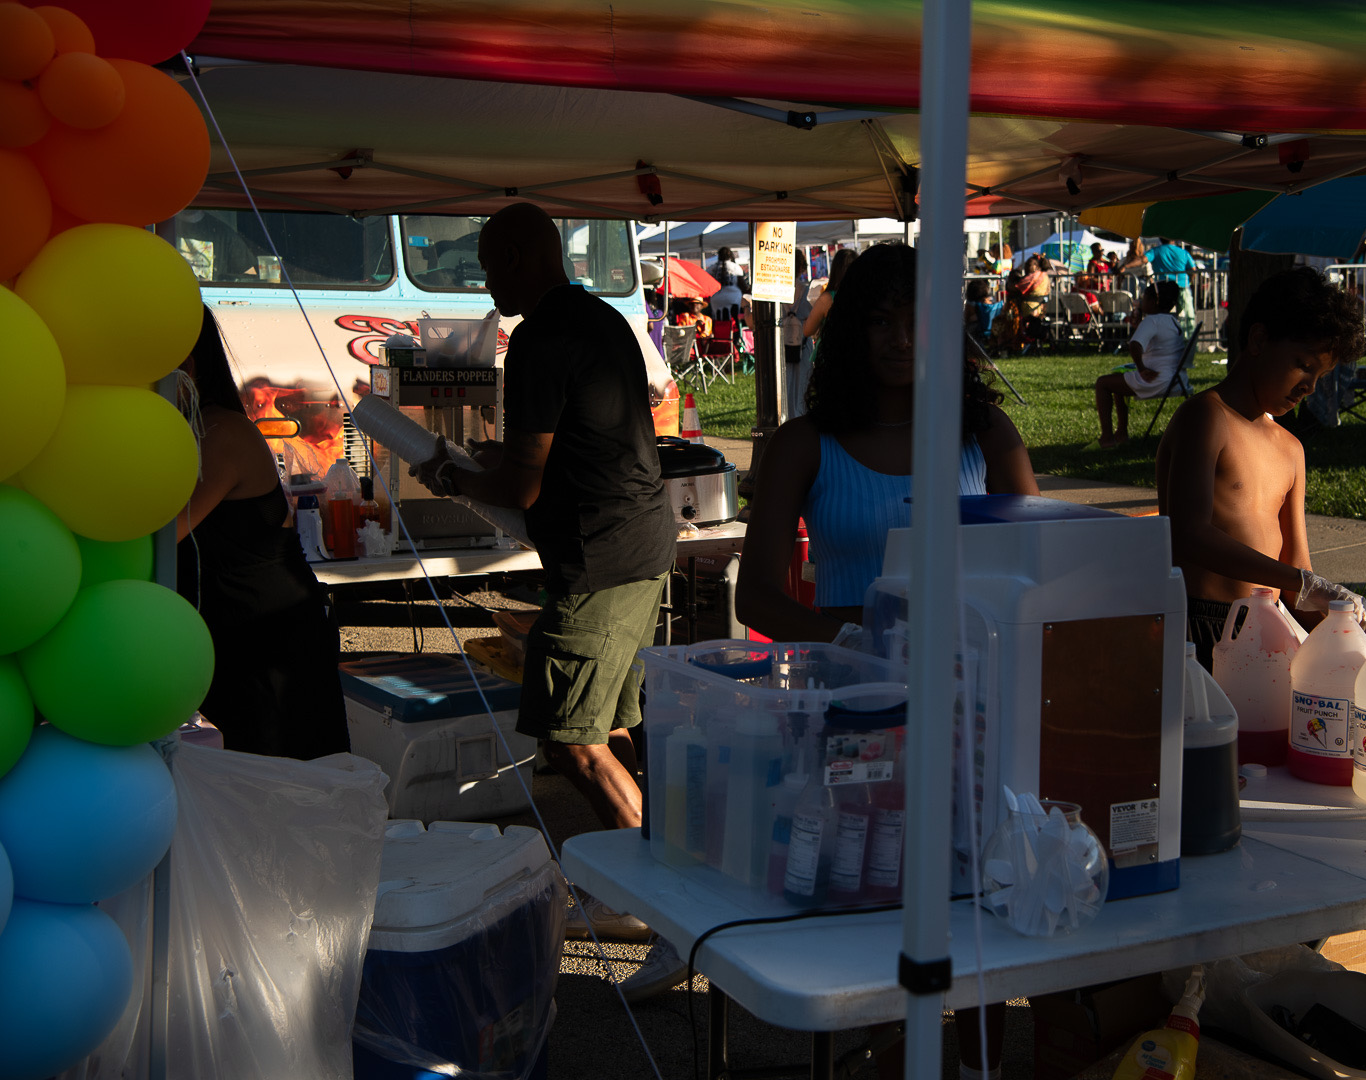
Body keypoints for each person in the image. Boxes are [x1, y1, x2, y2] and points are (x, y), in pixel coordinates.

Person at [736, 242, 1037, 1080]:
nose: (901, 338)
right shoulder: (805, 444)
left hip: (978, 712)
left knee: (975, 917)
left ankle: (965, 1064)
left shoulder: (984, 432)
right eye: (878, 320)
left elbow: (1041, 563)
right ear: (848, 334)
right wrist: (864, 628)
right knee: (856, 906)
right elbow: (756, 598)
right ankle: (855, 1054)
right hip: (855, 717)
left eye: (920, 319)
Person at [409, 203, 677, 993]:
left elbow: (521, 483)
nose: (485, 283)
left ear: (528, 255)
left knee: (572, 740)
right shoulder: (596, 316)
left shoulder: (536, 338)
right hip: (634, 544)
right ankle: (636, 888)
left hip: (599, 557)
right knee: (617, 725)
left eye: (491, 265)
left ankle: (671, 921)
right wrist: (491, 461)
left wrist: (452, 475)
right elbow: (558, 447)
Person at [1155, 267, 1366, 671]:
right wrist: (1301, 582)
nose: (1309, 386)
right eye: (1302, 364)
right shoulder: (1206, 416)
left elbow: (1298, 581)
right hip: (1199, 627)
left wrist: (1338, 620)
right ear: (1258, 339)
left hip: (1267, 629)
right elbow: (1189, 535)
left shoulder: (1291, 449)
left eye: (1320, 375)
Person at [174, 307, 350, 760]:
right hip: (236, 627)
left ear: (188, 365)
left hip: (268, 630)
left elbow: (164, 530)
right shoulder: (189, 430)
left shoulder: (221, 433)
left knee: (279, 773)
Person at [1093, 281, 1187, 449]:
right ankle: (1121, 433)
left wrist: (1142, 369)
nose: (1141, 301)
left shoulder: (1152, 321)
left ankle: (1107, 438)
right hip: (1177, 379)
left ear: (1154, 301)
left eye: (1144, 298)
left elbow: (1134, 345)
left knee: (1103, 383)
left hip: (1157, 379)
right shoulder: (1173, 321)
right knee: (1117, 381)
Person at [780, 248, 815, 419]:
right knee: (802, 386)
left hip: (782, 342)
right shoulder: (807, 290)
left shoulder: (777, 291)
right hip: (803, 341)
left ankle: (785, 418)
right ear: (801, 267)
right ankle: (800, 419)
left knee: (785, 385)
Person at [800, 246, 858, 343]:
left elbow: (808, 330)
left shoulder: (828, 299)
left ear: (835, 270)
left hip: (832, 353)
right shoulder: (865, 297)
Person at [709, 245, 746, 322]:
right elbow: (742, 285)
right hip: (734, 298)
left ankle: (720, 332)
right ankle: (734, 332)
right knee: (734, 320)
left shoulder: (712, 268)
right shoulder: (735, 267)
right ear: (730, 255)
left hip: (716, 298)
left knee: (718, 319)